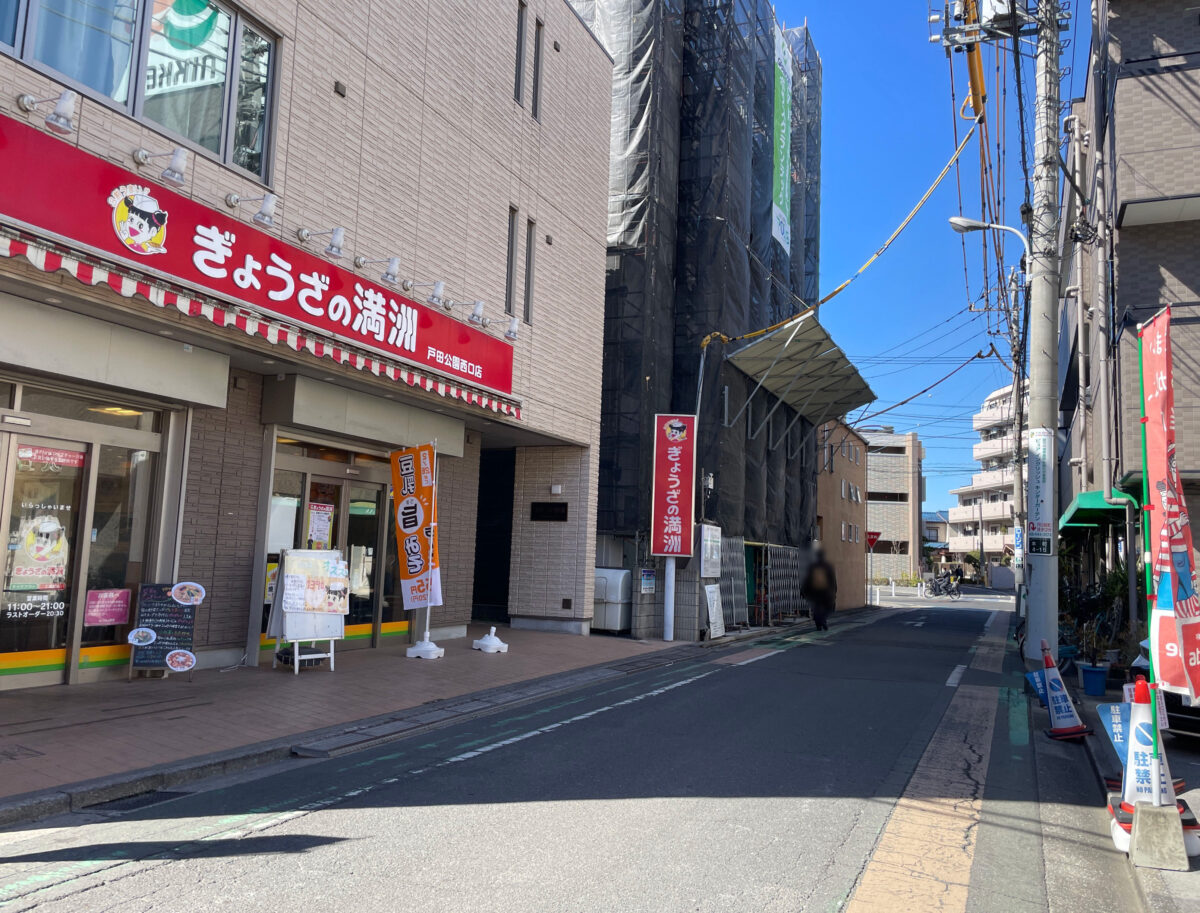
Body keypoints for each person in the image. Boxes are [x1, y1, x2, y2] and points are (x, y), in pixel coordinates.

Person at [802, 545, 837, 631]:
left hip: (815, 592)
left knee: (816, 608)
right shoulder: (828, 567)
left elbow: (807, 580)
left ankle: (819, 624)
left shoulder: (813, 567)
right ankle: (823, 621)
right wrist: (834, 591)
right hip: (826, 592)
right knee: (826, 608)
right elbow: (833, 581)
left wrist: (804, 591)